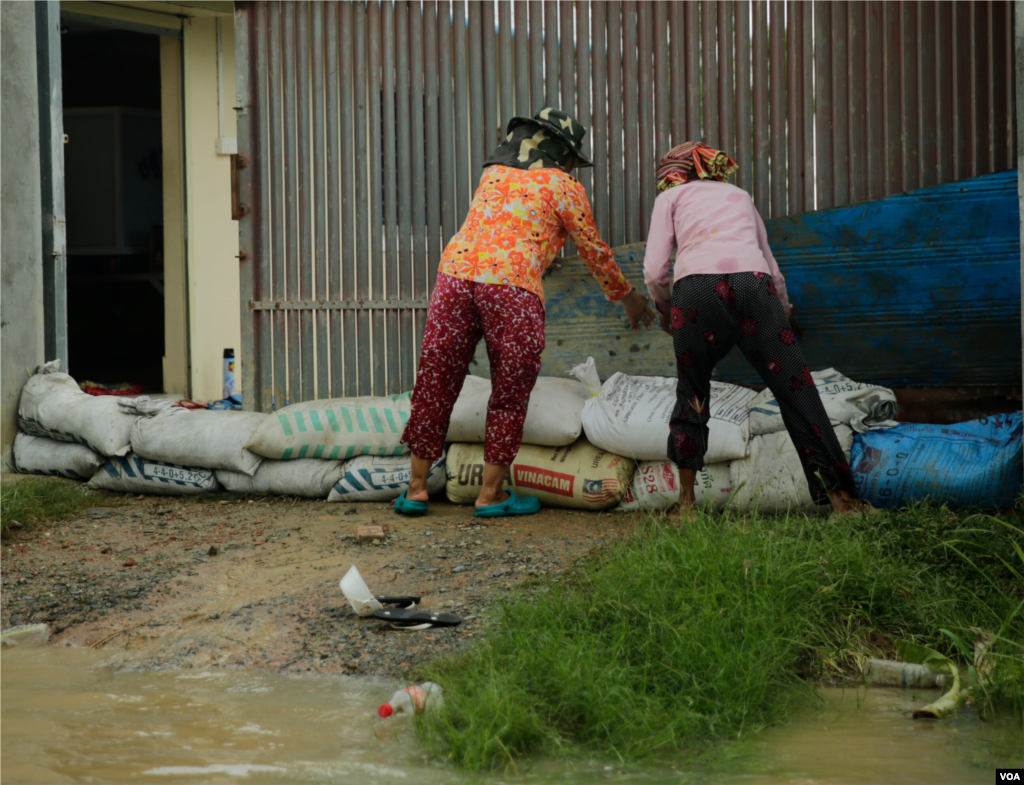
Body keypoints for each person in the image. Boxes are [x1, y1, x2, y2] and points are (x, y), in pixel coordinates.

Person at [395, 108, 655, 518]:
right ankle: (490, 495)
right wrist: (626, 295)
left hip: (455, 277)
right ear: (564, 155)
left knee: (436, 380)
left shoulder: (493, 174)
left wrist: (543, 250)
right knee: (509, 392)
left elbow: (506, 225)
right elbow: (593, 249)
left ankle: (415, 490)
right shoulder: (564, 186)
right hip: (512, 288)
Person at [644, 141, 870, 516]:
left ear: (675, 173)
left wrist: (667, 310)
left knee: (693, 391)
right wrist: (783, 311)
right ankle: (842, 501)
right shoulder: (739, 195)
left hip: (696, 290)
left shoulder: (671, 199)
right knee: (796, 390)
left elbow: (654, 272)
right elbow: (772, 266)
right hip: (754, 286)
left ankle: (685, 506)